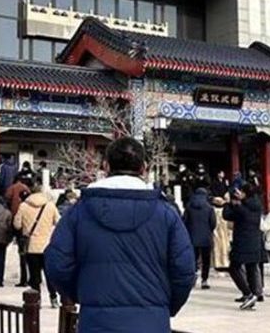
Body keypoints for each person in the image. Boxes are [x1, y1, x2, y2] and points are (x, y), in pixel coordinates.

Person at [45, 137, 195, 332]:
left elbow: (57, 264)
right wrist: (164, 305)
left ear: (106, 166)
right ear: (144, 168)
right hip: (150, 322)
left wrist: (82, 295)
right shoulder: (166, 214)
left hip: (97, 322)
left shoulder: (79, 212)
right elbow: (184, 271)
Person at [13, 180, 60, 307]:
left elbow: (17, 224)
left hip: (31, 246)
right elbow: (58, 222)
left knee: (34, 275)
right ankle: (53, 298)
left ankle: (36, 299)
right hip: (47, 245)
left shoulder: (23, 206)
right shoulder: (50, 205)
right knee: (49, 274)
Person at [223, 184, 264, 309]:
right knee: (252, 269)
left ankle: (248, 293)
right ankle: (254, 295)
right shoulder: (257, 206)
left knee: (234, 268)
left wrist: (227, 203)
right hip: (255, 242)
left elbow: (227, 215)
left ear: (244, 193)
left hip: (242, 243)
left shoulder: (241, 208)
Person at [183, 187, 216, 289]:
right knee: (206, 260)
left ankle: (193, 276)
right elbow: (213, 223)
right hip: (206, 238)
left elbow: (184, 221)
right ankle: (204, 280)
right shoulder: (209, 208)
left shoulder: (189, 206)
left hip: (192, 237)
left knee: (193, 259)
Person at [5, 175, 31, 287]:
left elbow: (17, 224)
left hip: (19, 225)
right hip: (34, 235)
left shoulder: (12, 188)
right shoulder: (26, 188)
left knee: (23, 256)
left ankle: (23, 279)